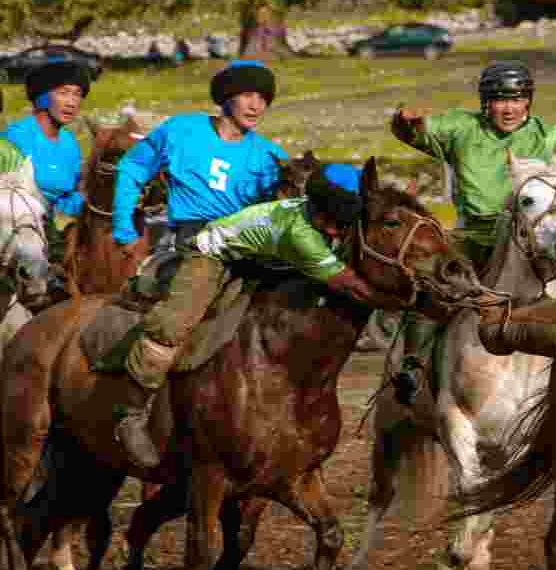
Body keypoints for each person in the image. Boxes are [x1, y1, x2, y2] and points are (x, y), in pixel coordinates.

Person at [115, 163, 405, 469]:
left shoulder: (316, 217)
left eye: (342, 224)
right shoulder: (300, 233)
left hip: (262, 262)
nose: (335, 231)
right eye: (330, 222)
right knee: (172, 326)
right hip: (213, 255)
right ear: (317, 210)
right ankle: (131, 415)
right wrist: (401, 302)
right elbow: (352, 287)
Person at [388, 59, 556, 405]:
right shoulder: (461, 128)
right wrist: (406, 123)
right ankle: (413, 366)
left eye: (516, 99)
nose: (508, 108)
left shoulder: (550, 136)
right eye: (499, 100)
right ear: (485, 102)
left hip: (539, 240)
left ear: (527, 101)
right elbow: (417, 132)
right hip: (475, 236)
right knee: (432, 286)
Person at [112, 59, 288, 256]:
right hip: (190, 239)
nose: (256, 106)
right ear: (227, 98)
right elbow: (132, 169)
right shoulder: (181, 130)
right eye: (247, 95)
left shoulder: (271, 156)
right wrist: (124, 232)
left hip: (247, 243)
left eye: (263, 99)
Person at [1, 57, 91, 257]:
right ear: (42, 98)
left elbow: (71, 195)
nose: (72, 102)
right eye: (63, 92)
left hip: (56, 233)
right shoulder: (16, 138)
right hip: (17, 234)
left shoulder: (69, 142)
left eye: (77, 94)